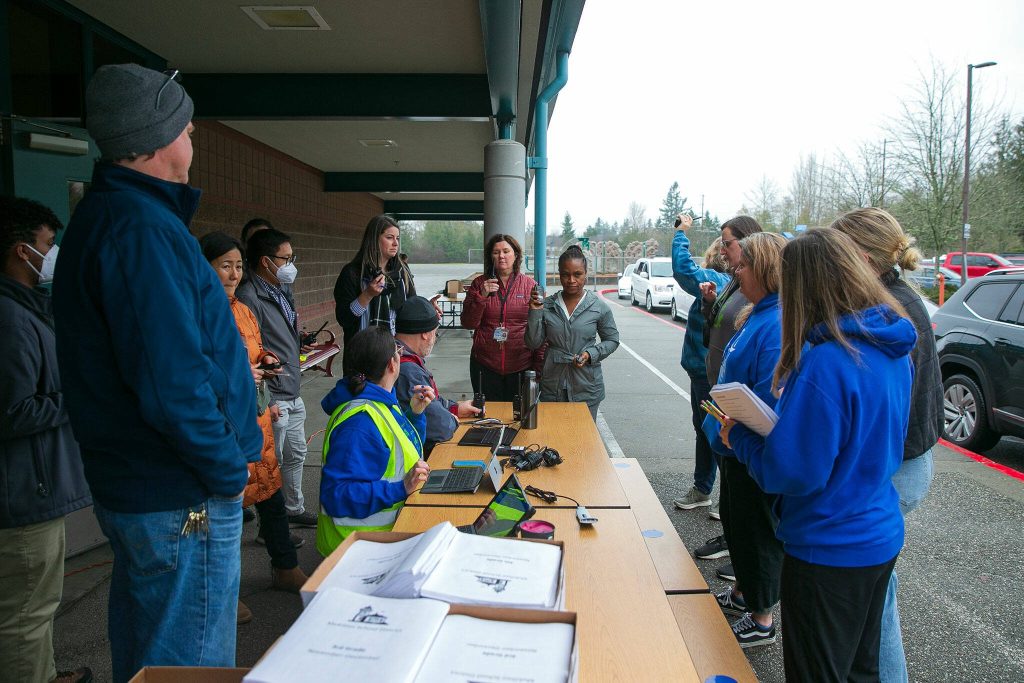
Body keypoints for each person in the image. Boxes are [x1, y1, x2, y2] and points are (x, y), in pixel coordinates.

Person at [52, 64, 262, 682]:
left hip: (159, 491)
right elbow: (173, 384)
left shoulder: (124, 219)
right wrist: (226, 472)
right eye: (182, 121)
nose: (192, 129)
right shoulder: (139, 229)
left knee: (153, 658)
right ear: (153, 138)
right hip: (180, 494)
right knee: (187, 669)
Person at [721, 228, 915, 682]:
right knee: (861, 670)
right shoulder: (892, 349)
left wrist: (742, 439)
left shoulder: (827, 362)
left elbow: (792, 472)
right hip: (878, 532)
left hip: (827, 547)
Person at [830, 207, 943, 683]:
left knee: (876, 594)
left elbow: (887, 408)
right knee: (877, 588)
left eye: (841, 254)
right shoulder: (894, 299)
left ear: (865, 257)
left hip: (899, 467)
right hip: (906, 461)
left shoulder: (891, 309)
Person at [0, 197, 92, 683]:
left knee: (32, 607)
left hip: (29, 489)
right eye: (48, 245)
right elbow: (13, 411)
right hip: (21, 494)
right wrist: (77, 395)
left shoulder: (26, 309)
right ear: (21, 251)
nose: (53, 254)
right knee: (26, 615)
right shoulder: (10, 319)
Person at [199, 232, 309, 619]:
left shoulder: (241, 309)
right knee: (227, 514)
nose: (232, 274)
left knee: (271, 495)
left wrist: (267, 359)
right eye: (224, 266)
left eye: (237, 266)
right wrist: (242, 374)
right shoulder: (196, 312)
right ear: (205, 267)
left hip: (255, 416)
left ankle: (284, 566)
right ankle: (224, 595)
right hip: (222, 424)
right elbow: (196, 370)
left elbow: (255, 345)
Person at [701, 232, 788, 649]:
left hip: (748, 445)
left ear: (767, 269)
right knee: (736, 524)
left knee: (756, 531)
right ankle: (744, 594)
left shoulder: (774, 322)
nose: (737, 270)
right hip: (732, 441)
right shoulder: (757, 313)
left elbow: (768, 395)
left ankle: (763, 616)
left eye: (744, 264)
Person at [317, 326, 434, 555]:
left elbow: (404, 453)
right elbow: (336, 496)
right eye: (398, 351)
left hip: (382, 535)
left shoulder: (379, 402)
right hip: (360, 550)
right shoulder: (360, 423)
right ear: (392, 364)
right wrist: (401, 488)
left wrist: (415, 414)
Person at [692, 215, 763, 570]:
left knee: (741, 476)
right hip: (720, 389)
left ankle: (743, 553)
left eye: (728, 243)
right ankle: (733, 537)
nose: (722, 249)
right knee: (726, 466)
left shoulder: (756, 292)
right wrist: (709, 304)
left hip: (735, 399)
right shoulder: (735, 283)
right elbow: (718, 331)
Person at [236, 228, 318, 527]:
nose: (290, 265)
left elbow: (281, 330)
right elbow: (252, 343)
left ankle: (293, 509)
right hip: (274, 393)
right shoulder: (249, 296)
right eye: (286, 258)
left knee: (296, 452)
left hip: (292, 385)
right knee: (269, 462)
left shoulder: (280, 289)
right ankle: (269, 526)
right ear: (265, 262)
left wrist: (299, 339)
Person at [670, 214, 731, 512]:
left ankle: (725, 499)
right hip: (700, 372)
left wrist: (681, 232)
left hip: (710, 374)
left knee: (715, 432)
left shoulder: (720, 280)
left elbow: (683, 269)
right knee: (704, 430)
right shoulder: (719, 282)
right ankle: (704, 489)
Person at [525, 245, 620, 420]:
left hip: (586, 385)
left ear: (586, 274)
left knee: (584, 440)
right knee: (553, 437)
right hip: (552, 384)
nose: (571, 280)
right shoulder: (547, 305)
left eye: (577, 274)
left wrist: (590, 354)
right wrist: (534, 312)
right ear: (559, 274)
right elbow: (533, 343)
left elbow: (612, 340)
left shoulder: (599, 307)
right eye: (565, 274)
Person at [394, 295, 481, 454]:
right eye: (435, 332)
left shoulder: (396, 354)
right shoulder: (407, 371)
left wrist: (454, 408)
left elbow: (429, 398)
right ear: (425, 334)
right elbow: (440, 427)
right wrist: (451, 420)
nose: (435, 337)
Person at [461, 234, 539, 400]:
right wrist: (481, 295)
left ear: (516, 255)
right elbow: (468, 323)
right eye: (496, 252)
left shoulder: (529, 285)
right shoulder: (479, 283)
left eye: (506, 251)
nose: (501, 256)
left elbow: (538, 326)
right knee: (488, 414)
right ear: (491, 256)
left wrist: (538, 367)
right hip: (485, 363)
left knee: (518, 415)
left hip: (520, 362)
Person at [333, 215, 416, 350]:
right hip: (362, 353)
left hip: (397, 352)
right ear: (374, 240)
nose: (396, 243)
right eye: (389, 238)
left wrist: (427, 308)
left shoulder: (402, 271)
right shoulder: (352, 273)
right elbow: (344, 318)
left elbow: (411, 307)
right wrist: (367, 295)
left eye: (398, 238)